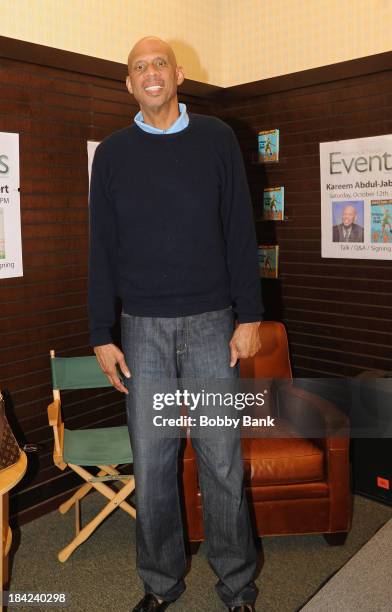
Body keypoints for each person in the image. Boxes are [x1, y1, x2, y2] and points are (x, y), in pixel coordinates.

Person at [88, 36, 264, 612]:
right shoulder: (112, 154)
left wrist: (250, 315)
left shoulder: (216, 138)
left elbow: (241, 229)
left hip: (215, 326)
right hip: (142, 332)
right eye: (138, 67)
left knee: (221, 459)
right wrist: (100, 333)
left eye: (159, 62)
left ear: (179, 74)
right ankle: (160, 585)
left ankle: (236, 587)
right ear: (129, 84)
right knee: (155, 464)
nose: (150, 73)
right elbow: (102, 249)